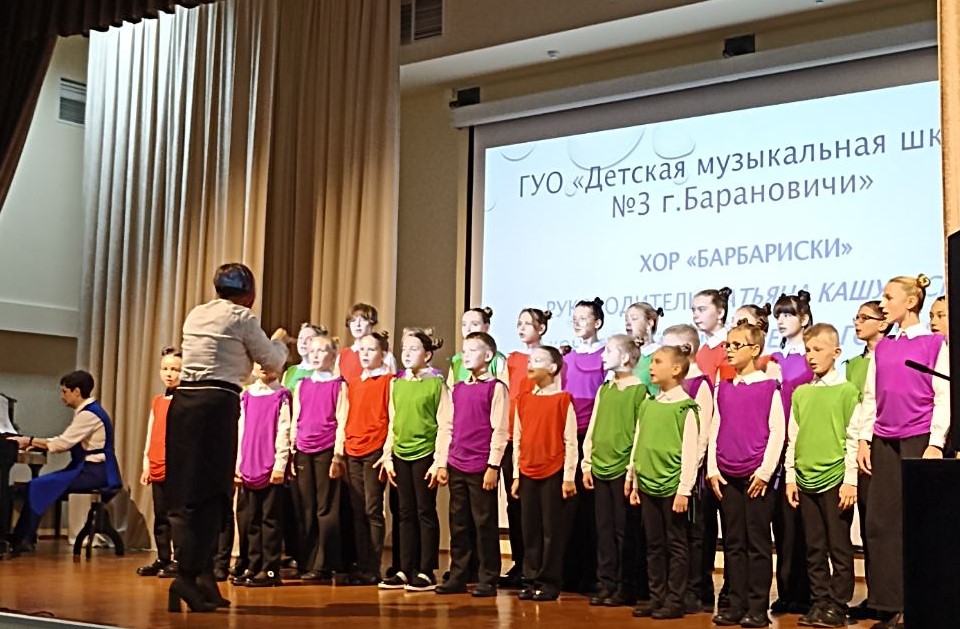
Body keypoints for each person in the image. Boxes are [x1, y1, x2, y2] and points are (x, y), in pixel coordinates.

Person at [164, 262, 288, 613]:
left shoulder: (196, 314)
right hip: (215, 406)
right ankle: (186, 577)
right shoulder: (242, 317)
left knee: (187, 493)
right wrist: (279, 342)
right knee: (211, 493)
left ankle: (202, 577)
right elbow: (271, 361)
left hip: (184, 404)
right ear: (250, 293)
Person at [857, 274, 949, 629]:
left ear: (911, 302)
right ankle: (891, 604)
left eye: (889, 297)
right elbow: (870, 396)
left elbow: (943, 396)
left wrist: (935, 442)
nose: (883, 304)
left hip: (918, 438)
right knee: (881, 522)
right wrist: (864, 438)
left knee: (918, 524)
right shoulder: (883, 347)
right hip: (884, 440)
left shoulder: (933, 344)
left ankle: (920, 604)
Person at [708, 322, 786, 628]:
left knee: (757, 542)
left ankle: (757, 607)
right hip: (727, 473)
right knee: (733, 542)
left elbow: (777, 431)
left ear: (755, 350)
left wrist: (765, 472)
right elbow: (715, 428)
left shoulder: (768, 388)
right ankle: (735, 604)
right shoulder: (724, 388)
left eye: (736, 345)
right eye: (727, 345)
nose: (729, 350)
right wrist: (712, 469)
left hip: (756, 475)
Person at [784, 324, 860, 628]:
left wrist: (850, 480)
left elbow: (853, 437)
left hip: (834, 477)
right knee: (814, 546)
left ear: (836, 352)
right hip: (806, 478)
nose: (811, 356)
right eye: (808, 350)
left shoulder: (847, 391)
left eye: (818, 350)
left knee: (838, 546)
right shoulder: (801, 393)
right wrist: (791, 475)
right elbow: (794, 436)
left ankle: (838, 604)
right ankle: (819, 601)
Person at [8, 370, 122, 555]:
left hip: (95, 471)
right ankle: (23, 537)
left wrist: (29, 440)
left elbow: (62, 444)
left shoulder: (89, 414)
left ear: (76, 391)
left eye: (64, 391)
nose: (62, 397)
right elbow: (65, 440)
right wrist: (36, 443)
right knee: (37, 486)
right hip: (88, 468)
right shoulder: (88, 411)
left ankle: (23, 539)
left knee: (38, 485)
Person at [435, 331, 509, 597]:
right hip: (457, 462)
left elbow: (500, 430)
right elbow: (448, 426)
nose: (466, 355)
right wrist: (442, 462)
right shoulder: (458, 389)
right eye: (464, 351)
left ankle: (488, 576)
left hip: (481, 465)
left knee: (484, 522)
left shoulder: (496, 388)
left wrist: (493, 466)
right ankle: (459, 574)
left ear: (488, 356)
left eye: (473, 351)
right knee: (459, 522)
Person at [629, 345, 700, 620]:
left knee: (675, 544)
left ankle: (675, 599)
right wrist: (633, 480)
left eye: (658, 361)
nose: (651, 366)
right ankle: (656, 596)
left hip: (672, 486)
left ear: (676, 369)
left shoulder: (685, 408)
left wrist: (684, 490)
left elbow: (690, 453)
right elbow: (639, 443)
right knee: (654, 544)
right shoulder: (648, 404)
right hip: (648, 483)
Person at [379, 330, 451, 592]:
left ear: (427, 355)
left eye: (414, 349)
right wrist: (387, 456)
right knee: (404, 512)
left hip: (425, 454)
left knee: (424, 512)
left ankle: (426, 570)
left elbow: (445, 425)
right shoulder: (396, 384)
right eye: (404, 348)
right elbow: (393, 422)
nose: (407, 353)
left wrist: (439, 461)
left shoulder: (436, 384)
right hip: (400, 454)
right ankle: (404, 568)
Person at [582, 335, 648, 608]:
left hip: (622, 469)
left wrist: (631, 470)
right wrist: (587, 462)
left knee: (623, 531)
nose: (602, 355)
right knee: (604, 529)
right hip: (600, 466)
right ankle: (606, 582)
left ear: (625, 357)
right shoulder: (605, 389)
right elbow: (594, 425)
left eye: (609, 351)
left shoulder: (639, 391)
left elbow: (639, 433)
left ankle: (624, 585)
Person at [511, 346, 578, 602]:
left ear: (552, 368)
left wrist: (568, 476)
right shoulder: (524, 399)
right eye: (530, 359)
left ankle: (549, 581)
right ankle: (530, 578)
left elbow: (570, 441)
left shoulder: (563, 400)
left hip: (553, 470)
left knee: (551, 529)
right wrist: (516, 474)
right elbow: (518, 438)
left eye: (538, 360)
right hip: (528, 470)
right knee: (530, 529)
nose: (531, 364)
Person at [501, 307, 551, 586]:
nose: (521, 328)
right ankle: (519, 562)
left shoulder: (547, 359)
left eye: (527, 324)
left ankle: (538, 565)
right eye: (518, 323)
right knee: (514, 502)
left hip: (536, 437)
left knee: (536, 506)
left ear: (541, 328)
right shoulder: (512, 359)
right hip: (511, 437)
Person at [291, 333, 347, 583]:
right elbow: (297, 417)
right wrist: (292, 447)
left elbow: (342, 420)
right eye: (312, 350)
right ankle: (307, 560)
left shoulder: (338, 385)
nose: (315, 355)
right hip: (303, 449)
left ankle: (324, 564)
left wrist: (337, 455)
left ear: (333, 356)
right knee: (306, 506)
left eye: (322, 350)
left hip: (326, 449)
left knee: (326, 508)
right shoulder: (302, 385)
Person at [232, 362, 292, 587]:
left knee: (270, 519)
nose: (264, 368)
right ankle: (253, 564)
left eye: (269, 363)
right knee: (251, 519)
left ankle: (270, 569)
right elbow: (241, 431)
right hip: (250, 465)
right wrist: (238, 464)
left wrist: (280, 464)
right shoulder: (247, 396)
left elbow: (284, 431)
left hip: (269, 465)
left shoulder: (281, 396)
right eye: (260, 363)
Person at [137, 347, 183, 578]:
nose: (169, 374)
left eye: (175, 369)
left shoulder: (185, 402)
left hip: (177, 466)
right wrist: (146, 464)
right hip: (157, 462)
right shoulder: (158, 401)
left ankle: (179, 559)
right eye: (165, 368)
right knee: (161, 514)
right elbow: (151, 433)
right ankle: (163, 557)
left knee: (177, 515)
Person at [692, 287, 735, 385]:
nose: (695, 315)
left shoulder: (731, 347)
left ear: (720, 313)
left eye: (702, 309)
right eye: (693, 310)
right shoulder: (702, 350)